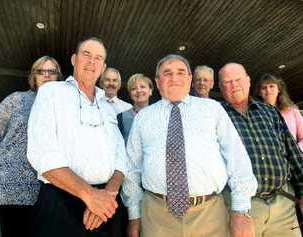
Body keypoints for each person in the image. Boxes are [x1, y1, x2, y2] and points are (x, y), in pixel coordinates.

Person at [122, 54, 258, 237]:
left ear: (189, 79)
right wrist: (134, 215)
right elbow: (131, 168)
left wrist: (241, 210)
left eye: (180, 72)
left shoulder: (213, 109)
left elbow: (236, 157)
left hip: (210, 215)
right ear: (157, 81)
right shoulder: (143, 118)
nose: (174, 78)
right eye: (167, 73)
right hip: (156, 217)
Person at [27, 37, 128, 237]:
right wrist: (90, 195)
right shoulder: (51, 92)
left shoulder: (107, 106)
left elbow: (121, 156)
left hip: (106, 204)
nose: (92, 62)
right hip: (60, 201)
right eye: (86, 55)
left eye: (98, 58)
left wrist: (107, 195)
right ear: (74, 59)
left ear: (103, 66)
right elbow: (41, 154)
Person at [219, 62, 303, 237]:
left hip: (283, 205)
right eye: (227, 82)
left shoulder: (269, 112)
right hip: (242, 209)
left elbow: (292, 152)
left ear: (248, 81)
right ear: (220, 87)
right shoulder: (216, 115)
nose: (234, 85)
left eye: (238, 79)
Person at [0, 55, 62, 237]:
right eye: (41, 71)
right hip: (13, 187)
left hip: (48, 187)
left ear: (58, 77)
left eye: (51, 71)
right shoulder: (16, 100)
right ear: (33, 76)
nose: (46, 75)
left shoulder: (62, 106)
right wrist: (10, 158)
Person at [254, 73, 303, 151]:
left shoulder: (293, 112)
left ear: (279, 89)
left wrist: (296, 151)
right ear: (259, 93)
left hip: (294, 158)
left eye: (271, 86)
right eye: (264, 88)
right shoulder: (254, 115)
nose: (268, 90)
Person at [117, 73, 153, 143]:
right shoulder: (121, 118)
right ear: (130, 94)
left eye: (142, 87)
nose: (139, 90)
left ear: (150, 91)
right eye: (133, 88)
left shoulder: (160, 116)